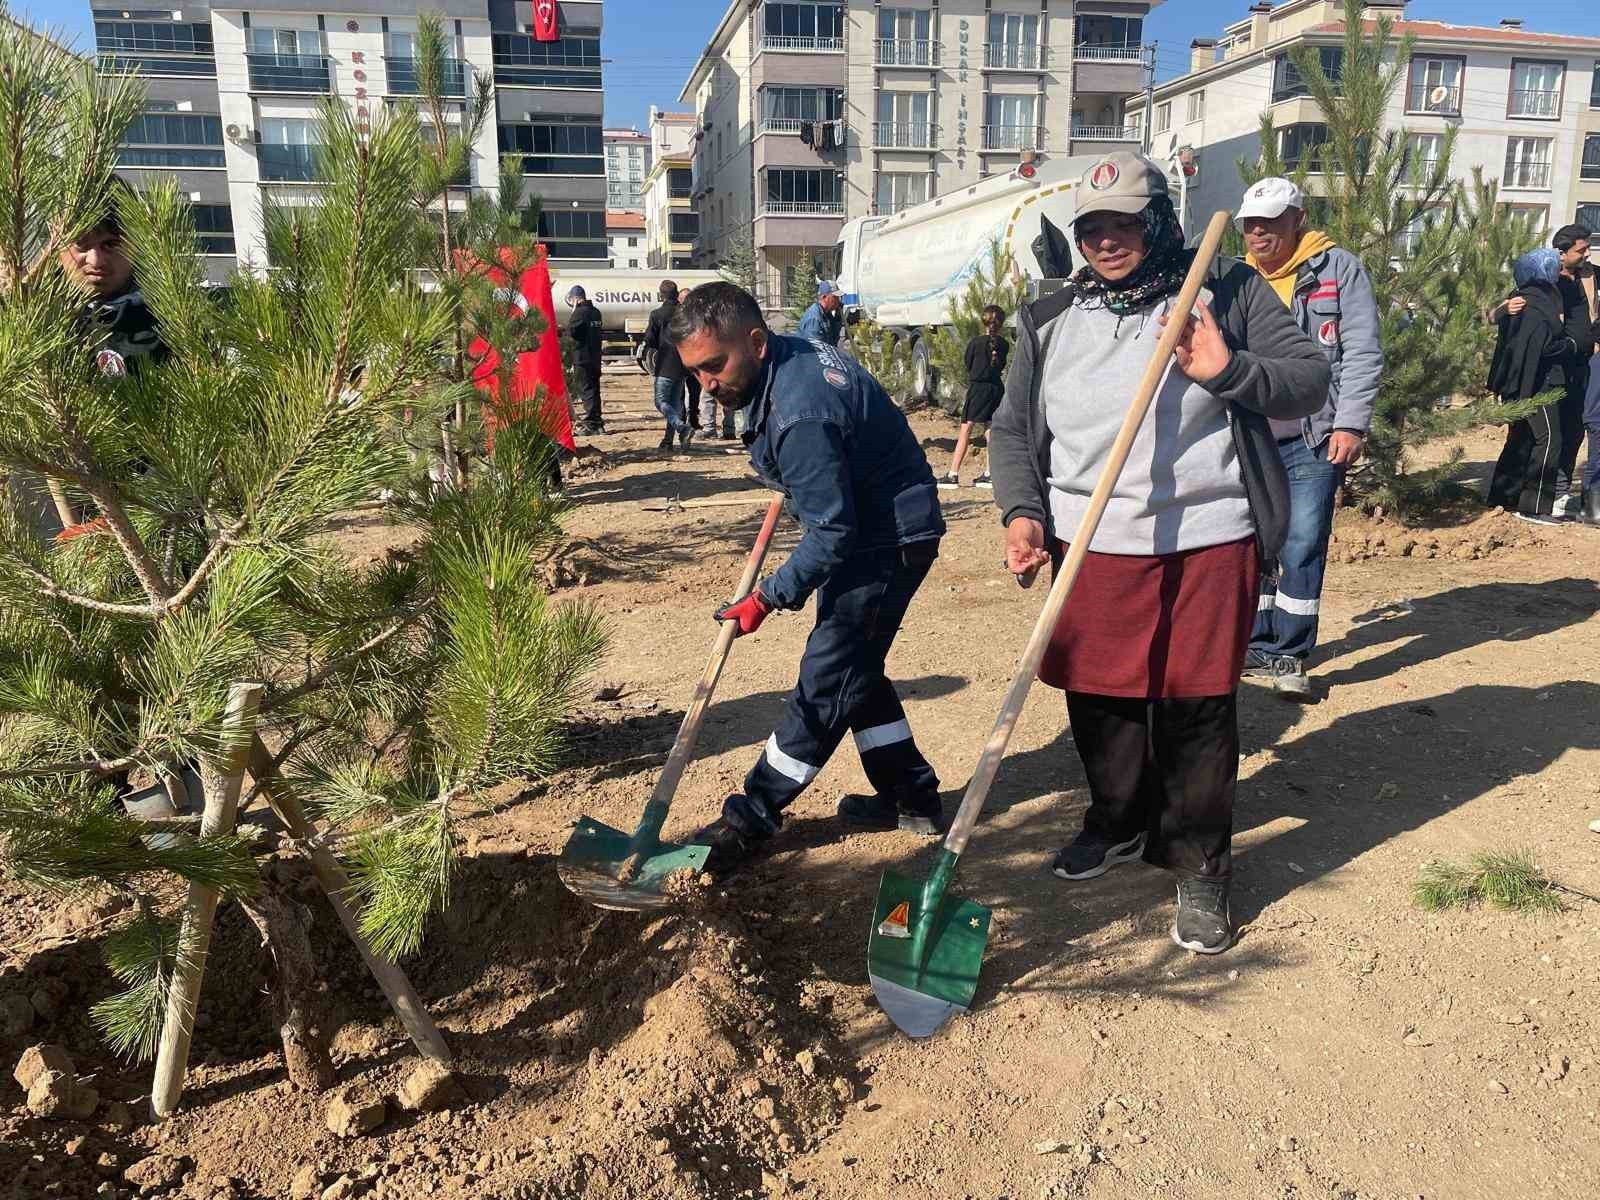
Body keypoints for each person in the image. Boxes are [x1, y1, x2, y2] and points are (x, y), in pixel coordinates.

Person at [988, 152, 1329, 955]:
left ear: (1161, 222)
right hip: (1089, 538)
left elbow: (1309, 378)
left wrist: (1229, 369)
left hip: (1206, 537)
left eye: (1126, 225)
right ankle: (1115, 820)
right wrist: (1024, 514)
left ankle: (1200, 862)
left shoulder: (1229, 290)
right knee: (1098, 699)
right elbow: (1011, 430)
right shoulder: (1049, 315)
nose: (1107, 242)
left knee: (1194, 707)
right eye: (1092, 229)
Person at [668, 282, 948, 873]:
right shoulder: (790, 361)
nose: (707, 385)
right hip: (876, 525)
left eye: (715, 366)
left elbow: (834, 533)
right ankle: (912, 795)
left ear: (756, 341)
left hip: (886, 541)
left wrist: (767, 597)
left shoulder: (800, 411)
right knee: (856, 672)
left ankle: (752, 817)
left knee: (827, 679)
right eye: (695, 373)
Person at [1233, 177, 1383, 699]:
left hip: (1312, 434)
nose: (1258, 233)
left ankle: (1289, 653)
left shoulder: (1338, 270)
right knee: (1252, 542)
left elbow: (1362, 350)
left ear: (1298, 219)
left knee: (1300, 540)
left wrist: (1350, 422)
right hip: (1248, 438)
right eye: (1250, 224)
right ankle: (1255, 641)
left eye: (1270, 222)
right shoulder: (1235, 278)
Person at [1490, 225, 1595, 521]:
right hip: (1542, 378)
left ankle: (1512, 497)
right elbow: (1533, 339)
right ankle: (1530, 504)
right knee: (1543, 439)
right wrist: (1570, 344)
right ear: (1560, 255)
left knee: (1561, 434)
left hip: (1567, 373)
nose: (1587, 254)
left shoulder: (1582, 279)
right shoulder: (1535, 293)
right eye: (1581, 250)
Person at [939, 304, 1009, 491]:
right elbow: (1001, 365)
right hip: (996, 388)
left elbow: (968, 364)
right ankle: (990, 473)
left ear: (983, 321)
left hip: (978, 388)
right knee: (990, 430)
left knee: (966, 429)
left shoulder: (975, 343)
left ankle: (953, 474)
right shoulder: (1004, 344)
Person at [643, 280, 692, 450]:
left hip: (665, 364)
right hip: (683, 364)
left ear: (661, 295)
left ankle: (681, 427)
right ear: (676, 293)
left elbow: (649, 340)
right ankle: (668, 441)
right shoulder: (685, 314)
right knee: (674, 404)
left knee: (660, 402)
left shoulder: (657, 314)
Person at [566, 285, 605, 435]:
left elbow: (572, 333)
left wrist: (573, 313)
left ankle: (590, 424)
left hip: (582, 358)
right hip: (595, 358)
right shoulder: (596, 313)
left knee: (586, 390)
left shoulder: (579, 314)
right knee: (595, 390)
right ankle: (598, 422)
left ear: (575, 299)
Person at [796, 279, 844, 347]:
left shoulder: (827, 314)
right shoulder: (814, 318)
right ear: (824, 297)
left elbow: (833, 339)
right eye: (835, 297)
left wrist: (838, 317)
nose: (838, 301)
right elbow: (815, 349)